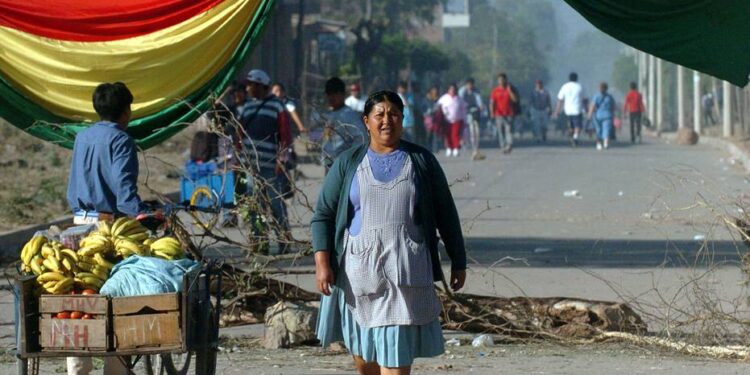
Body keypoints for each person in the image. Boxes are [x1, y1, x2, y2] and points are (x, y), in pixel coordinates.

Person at [312, 90, 467, 375]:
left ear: (403, 119)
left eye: (394, 114)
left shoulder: (421, 161)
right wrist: (323, 264)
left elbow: (446, 213)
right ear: (366, 121)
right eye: (379, 115)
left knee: (395, 360)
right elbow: (323, 215)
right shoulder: (348, 163)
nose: (387, 121)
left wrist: (458, 260)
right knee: (366, 363)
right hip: (357, 277)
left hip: (405, 273)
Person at [66, 82, 144, 375]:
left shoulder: (82, 137)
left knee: (81, 293)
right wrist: (143, 215)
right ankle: (116, 367)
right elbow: (125, 191)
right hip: (108, 227)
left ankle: (77, 365)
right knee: (115, 297)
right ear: (126, 111)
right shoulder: (122, 140)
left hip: (78, 222)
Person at [238, 69, 292, 253]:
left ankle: (284, 240)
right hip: (250, 167)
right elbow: (239, 133)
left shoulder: (277, 106)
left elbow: (285, 135)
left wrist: (282, 160)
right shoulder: (247, 107)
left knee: (275, 203)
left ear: (261, 86)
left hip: (271, 166)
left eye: (251, 84)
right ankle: (260, 242)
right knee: (255, 205)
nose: (248, 88)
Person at [322, 77, 367, 172]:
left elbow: (361, 137)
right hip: (330, 162)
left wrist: (349, 159)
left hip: (343, 165)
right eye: (328, 94)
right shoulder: (329, 114)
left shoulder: (348, 114)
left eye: (335, 94)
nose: (331, 97)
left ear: (342, 94)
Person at [554, 72, 585, 147]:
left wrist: (557, 110)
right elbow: (585, 99)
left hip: (567, 110)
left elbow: (560, 99)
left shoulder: (565, 86)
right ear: (577, 78)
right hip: (577, 109)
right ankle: (575, 137)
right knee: (578, 125)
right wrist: (587, 108)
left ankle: (572, 134)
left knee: (570, 126)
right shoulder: (580, 87)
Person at [489, 73, 517, 154]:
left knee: (509, 130)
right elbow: (492, 102)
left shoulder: (509, 89)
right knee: (500, 131)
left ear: (505, 80)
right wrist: (491, 112)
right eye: (499, 80)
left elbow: (515, 100)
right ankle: (503, 146)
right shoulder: (495, 91)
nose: (501, 81)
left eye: (502, 79)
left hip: (509, 113)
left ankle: (509, 145)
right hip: (498, 114)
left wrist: (509, 91)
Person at [437, 84, 467, 157]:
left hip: (457, 119)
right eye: (451, 89)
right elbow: (438, 105)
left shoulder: (459, 99)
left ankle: (456, 148)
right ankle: (449, 148)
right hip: (446, 120)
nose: (452, 91)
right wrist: (443, 111)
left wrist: (465, 119)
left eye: (454, 89)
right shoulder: (444, 98)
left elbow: (463, 110)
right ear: (448, 90)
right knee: (448, 135)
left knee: (455, 134)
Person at [459, 78, 486, 160]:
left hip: (475, 112)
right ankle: (472, 147)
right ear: (466, 84)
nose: (470, 86)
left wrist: (481, 106)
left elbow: (479, 101)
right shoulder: (462, 91)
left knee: (477, 130)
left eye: (471, 84)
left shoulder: (476, 91)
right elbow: (460, 101)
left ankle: (476, 148)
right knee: (470, 131)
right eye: (468, 84)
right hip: (466, 113)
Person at [588, 82, 616, 150]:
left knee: (598, 130)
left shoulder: (596, 96)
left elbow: (592, 106)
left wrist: (589, 115)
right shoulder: (610, 97)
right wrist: (613, 114)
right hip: (608, 115)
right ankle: (606, 143)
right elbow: (613, 107)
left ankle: (599, 144)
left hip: (598, 115)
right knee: (606, 130)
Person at [421, 86, 443, 153]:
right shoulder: (425, 100)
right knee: (429, 135)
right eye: (432, 92)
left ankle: (435, 148)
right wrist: (426, 113)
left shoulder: (436, 100)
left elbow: (438, 108)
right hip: (428, 120)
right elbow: (422, 110)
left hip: (435, 120)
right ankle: (429, 148)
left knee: (435, 135)